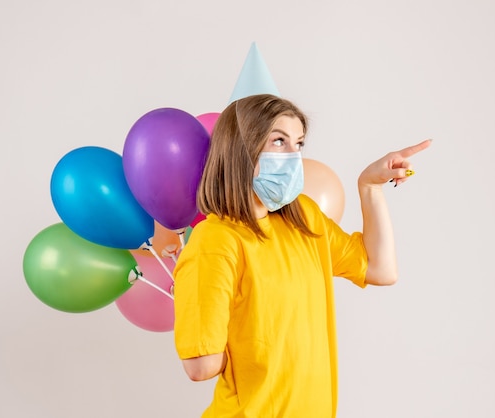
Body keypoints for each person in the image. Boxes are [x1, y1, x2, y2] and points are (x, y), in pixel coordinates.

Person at [173, 94, 431, 417]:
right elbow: (200, 366)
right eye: (278, 141)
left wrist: (369, 187)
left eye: (298, 144)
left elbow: (381, 269)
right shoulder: (216, 240)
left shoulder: (304, 219)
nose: (292, 156)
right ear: (241, 149)